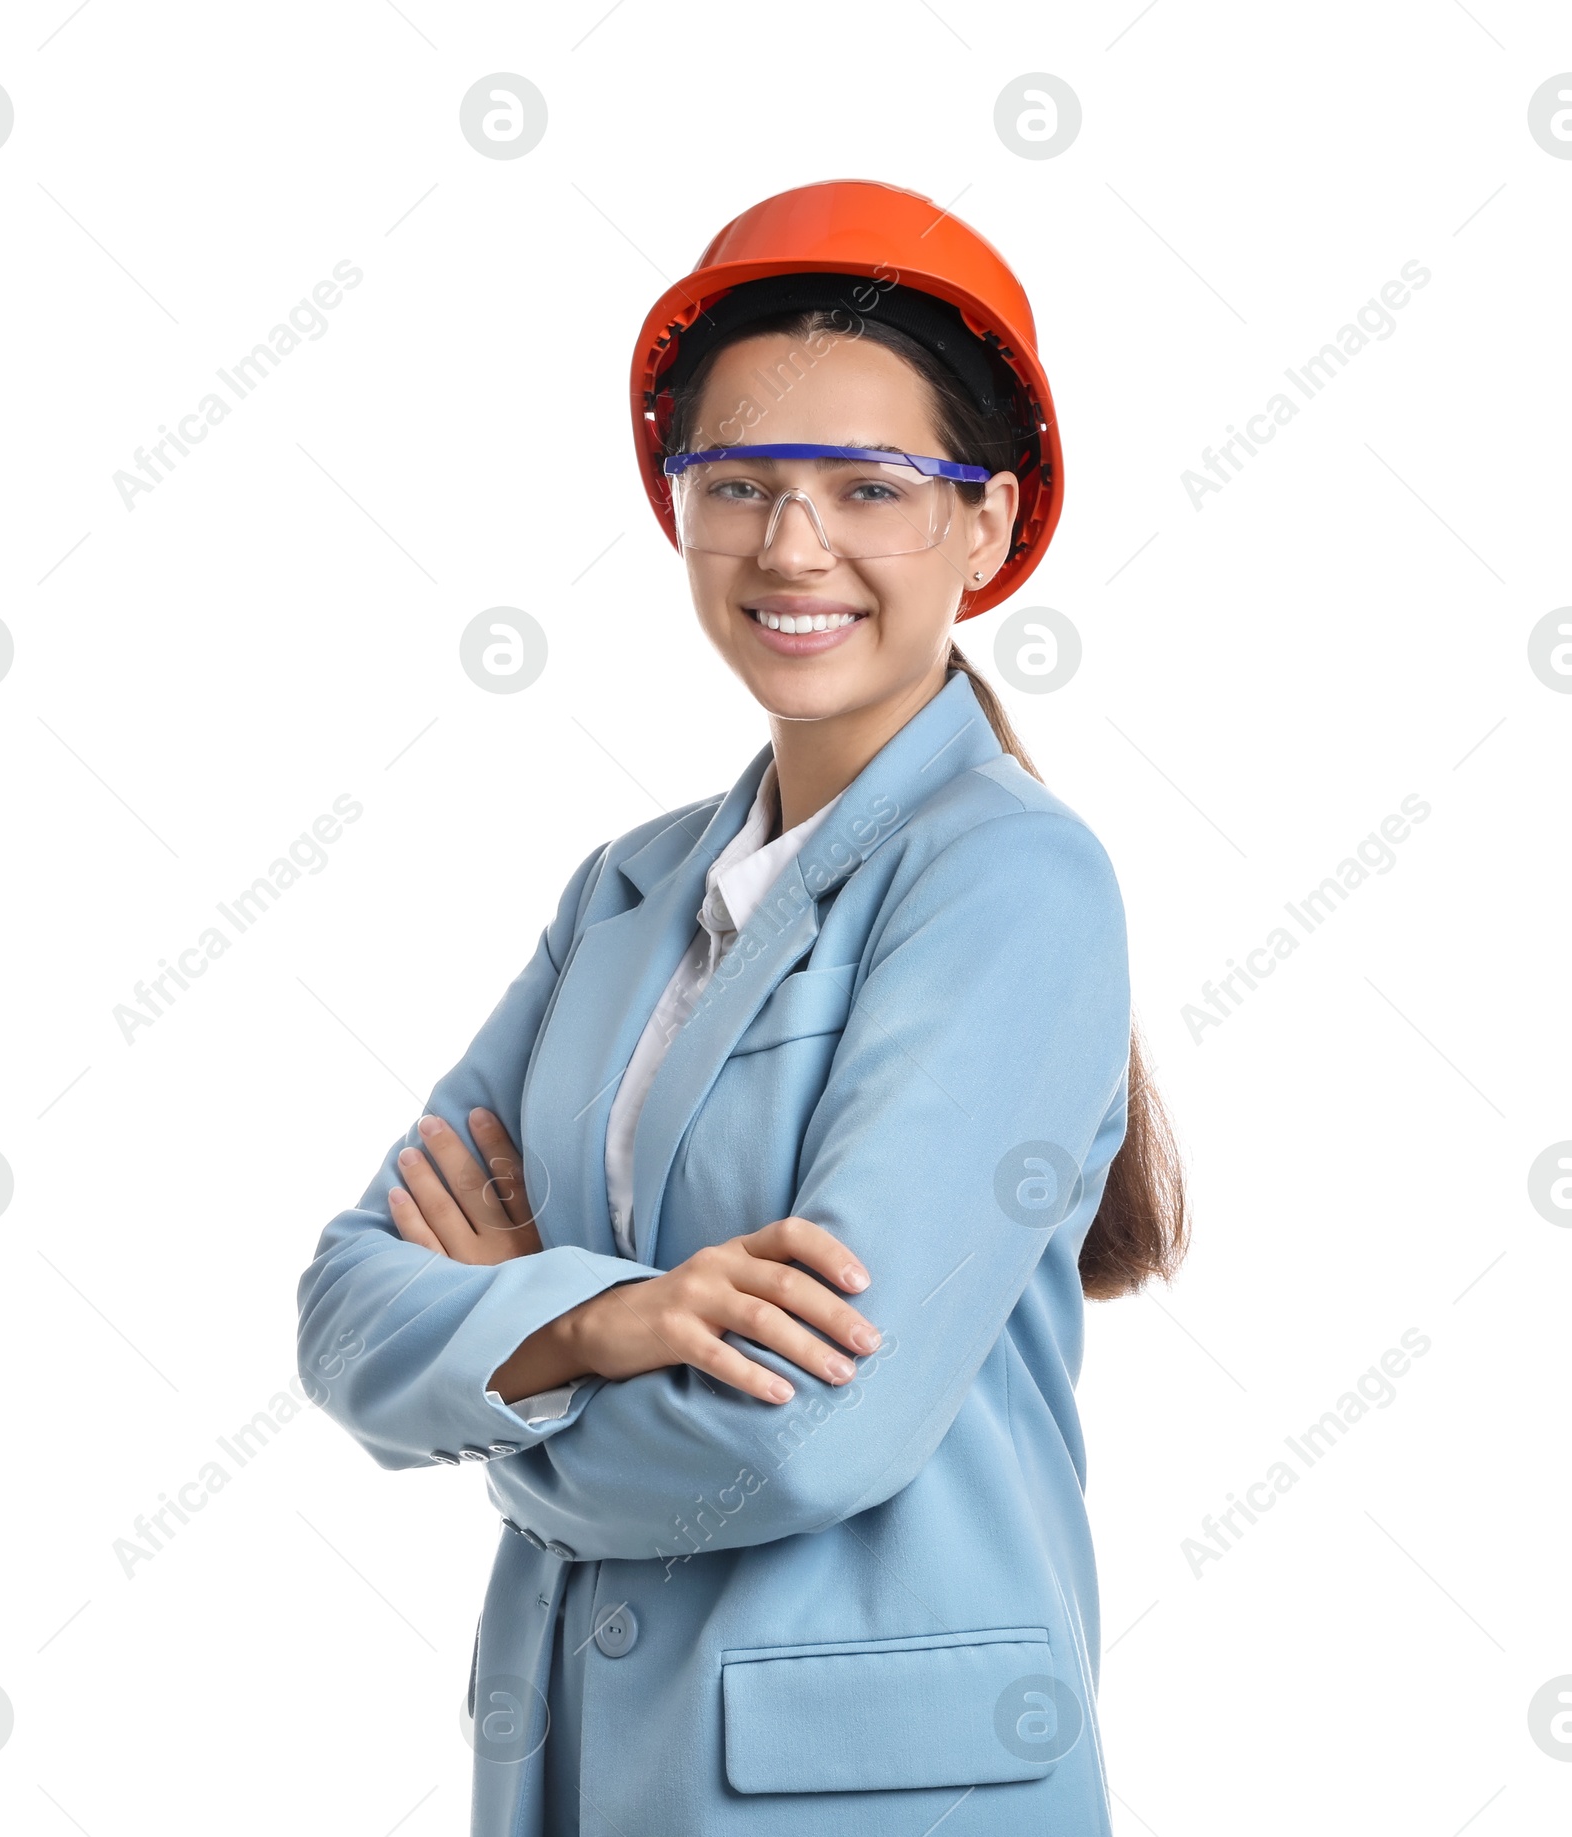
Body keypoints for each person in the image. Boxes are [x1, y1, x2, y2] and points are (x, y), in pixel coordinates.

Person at [297, 177, 1187, 1837]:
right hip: (571, 1776)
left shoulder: (1015, 884)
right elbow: (347, 1304)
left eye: (871, 486)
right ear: (678, 509)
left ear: (984, 528)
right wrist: (602, 1323)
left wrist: (502, 1356)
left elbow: (804, 1440)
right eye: (741, 483)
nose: (795, 546)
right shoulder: (624, 894)